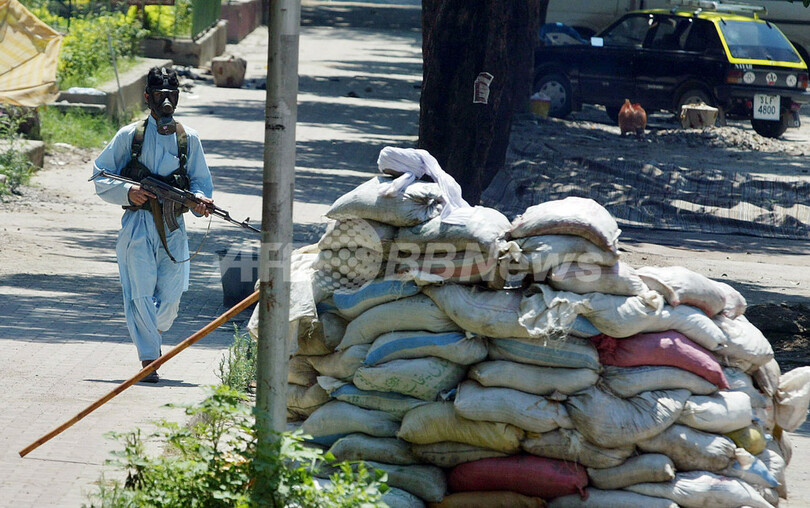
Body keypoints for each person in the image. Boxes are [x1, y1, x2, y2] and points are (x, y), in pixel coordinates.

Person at [93, 66, 214, 383]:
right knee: (140, 294)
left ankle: (152, 329)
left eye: (172, 96)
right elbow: (100, 176)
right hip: (138, 227)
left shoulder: (189, 140)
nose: (166, 104)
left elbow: (201, 181)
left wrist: (200, 201)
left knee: (171, 299)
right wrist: (128, 192)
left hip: (174, 228)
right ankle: (150, 359)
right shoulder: (129, 137)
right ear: (147, 98)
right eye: (159, 96)